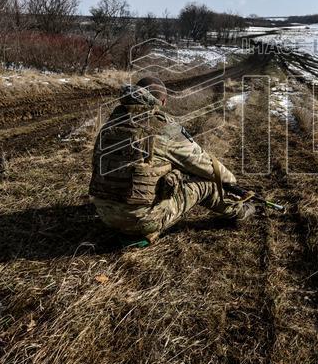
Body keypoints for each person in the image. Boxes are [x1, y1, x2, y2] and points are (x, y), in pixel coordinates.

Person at [89, 76, 253, 242]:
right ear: (163, 101)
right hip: (142, 221)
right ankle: (239, 212)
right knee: (208, 185)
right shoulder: (161, 127)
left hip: (103, 214)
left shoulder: (111, 123)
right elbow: (204, 164)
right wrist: (231, 181)